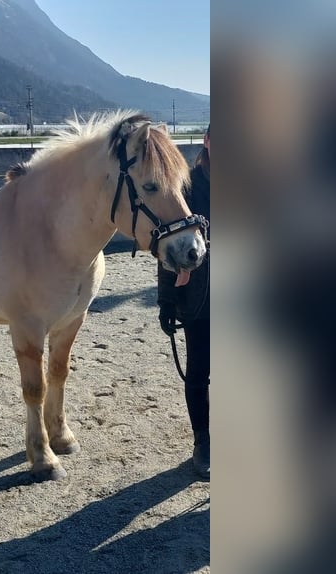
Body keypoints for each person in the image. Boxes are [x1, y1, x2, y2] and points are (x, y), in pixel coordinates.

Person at [157, 124, 210, 479]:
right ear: (208, 141)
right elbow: (167, 246)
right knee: (199, 372)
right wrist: (166, 301)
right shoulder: (186, 187)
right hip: (199, 297)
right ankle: (203, 442)